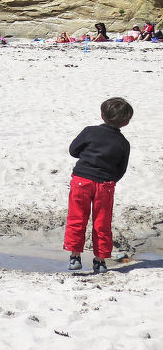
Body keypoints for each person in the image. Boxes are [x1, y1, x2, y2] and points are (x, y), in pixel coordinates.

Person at [64, 97, 133, 274]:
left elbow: (73, 150)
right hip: (105, 185)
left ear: (102, 115)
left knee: (77, 218)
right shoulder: (123, 143)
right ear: (126, 122)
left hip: (82, 180)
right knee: (102, 223)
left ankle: (75, 257)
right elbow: (121, 169)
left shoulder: (90, 131)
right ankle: (100, 260)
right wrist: (110, 181)